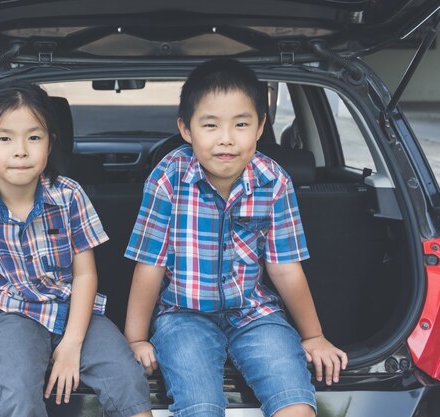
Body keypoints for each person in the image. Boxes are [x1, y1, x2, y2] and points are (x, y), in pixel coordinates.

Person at [124, 59, 347, 417]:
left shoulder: (273, 180)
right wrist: (134, 339)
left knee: (297, 406)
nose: (226, 138)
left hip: (255, 314)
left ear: (260, 127)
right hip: (184, 316)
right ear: (186, 129)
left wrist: (313, 335)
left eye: (241, 124)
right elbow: (149, 263)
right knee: (201, 408)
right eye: (210, 125)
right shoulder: (168, 178)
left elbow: (285, 267)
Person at [0, 84, 152, 417]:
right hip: (9, 313)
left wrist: (71, 344)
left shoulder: (69, 196)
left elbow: (85, 274)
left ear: (50, 143)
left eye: (33, 138)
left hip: (74, 309)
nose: (20, 150)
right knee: (17, 393)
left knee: (128, 380)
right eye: (4, 138)